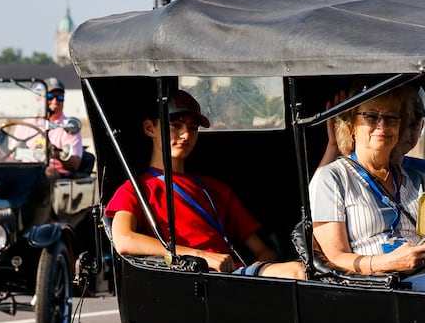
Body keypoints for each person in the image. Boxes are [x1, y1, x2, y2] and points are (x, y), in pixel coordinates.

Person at [309, 85, 425, 293]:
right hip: (376, 282)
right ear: (351, 125)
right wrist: (389, 262)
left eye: (392, 118)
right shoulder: (332, 177)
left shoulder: (420, 178)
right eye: (371, 117)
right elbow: (336, 257)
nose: (382, 126)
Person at [106, 90, 304, 278]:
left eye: (193, 128)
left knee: (307, 270)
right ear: (150, 128)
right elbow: (124, 240)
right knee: (297, 272)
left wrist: (252, 274)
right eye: (176, 125)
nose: (186, 135)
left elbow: (264, 251)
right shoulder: (135, 190)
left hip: (234, 279)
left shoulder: (215, 188)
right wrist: (201, 256)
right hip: (186, 280)